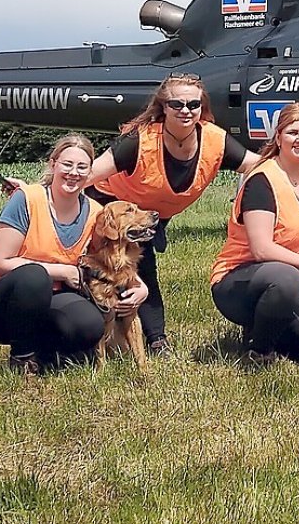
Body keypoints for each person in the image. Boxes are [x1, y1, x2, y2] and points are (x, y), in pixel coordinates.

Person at [82, 74, 262, 357]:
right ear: (163, 106)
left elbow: (258, 166)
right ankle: (139, 340)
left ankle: (148, 340)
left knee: (141, 269)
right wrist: (37, 191)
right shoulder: (139, 139)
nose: (186, 110)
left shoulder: (215, 140)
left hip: (150, 213)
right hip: (111, 208)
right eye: (177, 104)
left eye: (194, 104)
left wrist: (298, 162)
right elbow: (88, 173)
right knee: (132, 269)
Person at [0, 134, 145, 375]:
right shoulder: (27, 199)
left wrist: (141, 288)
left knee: (89, 325)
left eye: (82, 167)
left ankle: (46, 355)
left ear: (90, 173)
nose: (74, 173)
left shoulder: (96, 213)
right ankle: (23, 359)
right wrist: (61, 271)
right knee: (34, 277)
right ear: (53, 164)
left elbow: (110, 260)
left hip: (51, 299)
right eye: (67, 164)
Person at [209, 102, 299, 364]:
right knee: (287, 279)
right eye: (292, 132)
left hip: (298, 282)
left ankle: (275, 326)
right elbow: (262, 249)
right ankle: (259, 351)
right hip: (241, 282)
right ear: (278, 137)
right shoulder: (263, 180)